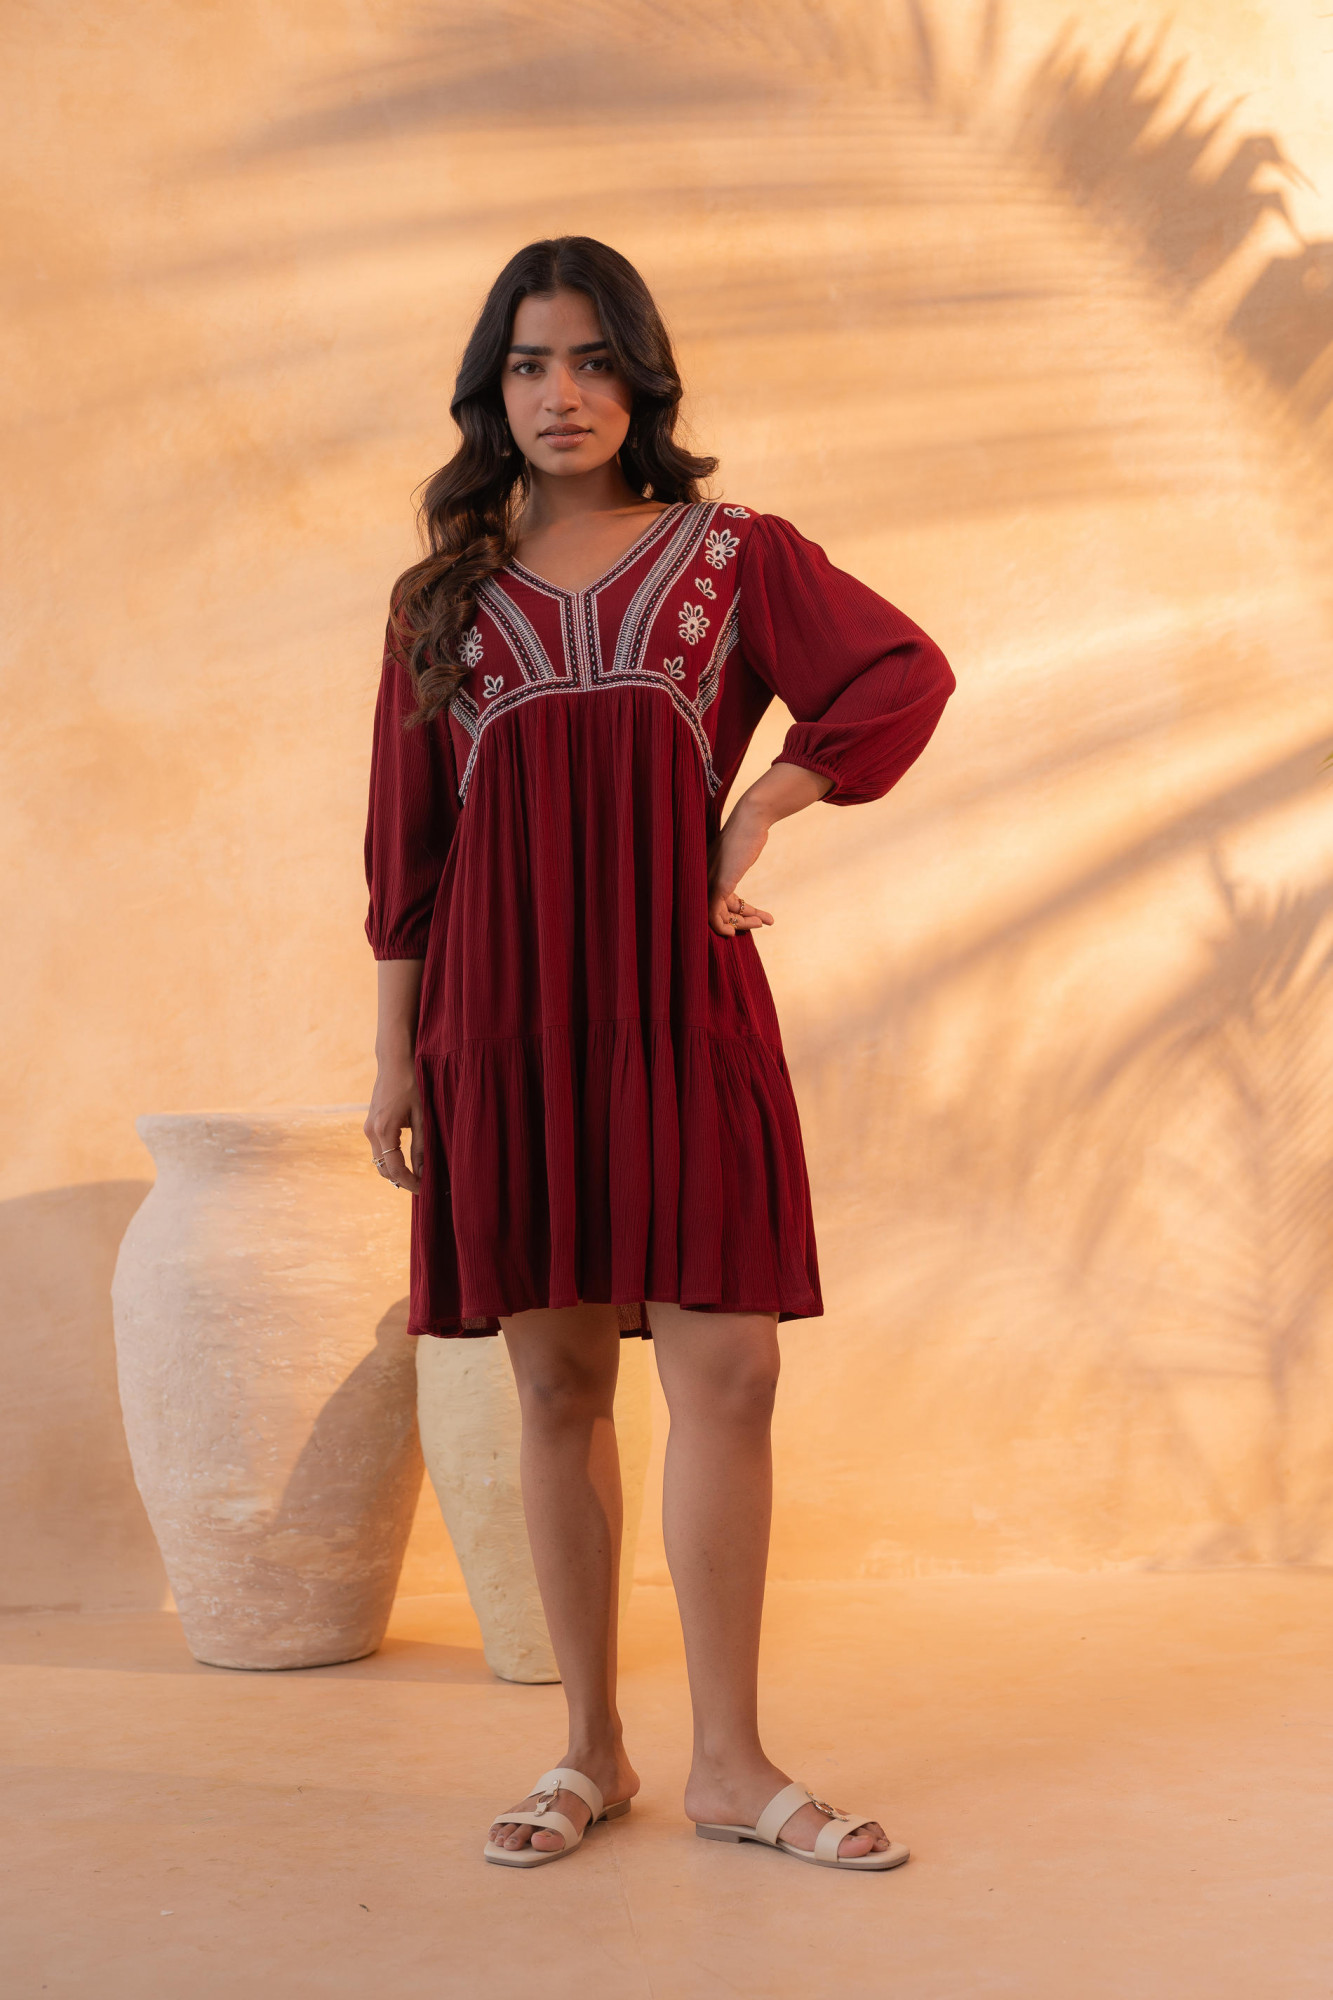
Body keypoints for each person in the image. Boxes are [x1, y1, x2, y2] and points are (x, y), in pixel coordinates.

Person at [363, 236, 954, 1873]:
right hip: (499, 1017)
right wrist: (396, 1061)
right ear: (490, 392)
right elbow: (407, 856)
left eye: (593, 360)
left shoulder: (735, 554)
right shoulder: (439, 603)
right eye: (529, 365)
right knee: (554, 1382)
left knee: (731, 1373)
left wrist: (765, 801)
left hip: (678, 1001)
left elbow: (897, 675)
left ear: (641, 380)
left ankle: (729, 1766)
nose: (562, 394)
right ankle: (588, 1752)